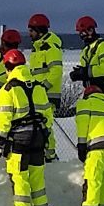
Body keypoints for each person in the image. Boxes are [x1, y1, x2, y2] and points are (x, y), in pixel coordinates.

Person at [0, 48, 54, 206]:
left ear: (8, 67)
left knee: (19, 178)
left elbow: (3, 120)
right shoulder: (37, 86)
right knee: (37, 177)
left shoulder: (8, 89)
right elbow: (47, 115)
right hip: (39, 137)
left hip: (20, 139)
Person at [27, 13, 63, 160]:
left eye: (31, 30)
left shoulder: (50, 48)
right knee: (40, 126)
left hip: (47, 94)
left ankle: (50, 156)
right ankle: (43, 153)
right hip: (39, 94)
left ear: (40, 30)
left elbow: (56, 72)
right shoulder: (38, 49)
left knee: (45, 126)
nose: (29, 34)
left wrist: (43, 88)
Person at [69, 16, 104, 101]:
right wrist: (79, 74)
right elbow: (87, 71)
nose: (81, 35)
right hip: (90, 92)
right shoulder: (86, 49)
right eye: (79, 32)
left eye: (82, 32)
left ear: (90, 30)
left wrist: (84, 72)